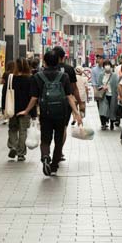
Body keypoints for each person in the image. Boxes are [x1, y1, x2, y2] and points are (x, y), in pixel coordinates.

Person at [34, 48, 80, 176]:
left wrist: (28, 110)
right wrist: (77, 112)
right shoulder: (64, 76)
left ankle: (45, 156)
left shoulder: (38, 76)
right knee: (59, 139)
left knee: (45, 138)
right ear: (58, 61)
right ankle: (54, 166)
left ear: (45, 62)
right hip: (61, 111)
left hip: (45, 112)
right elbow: (70, 96)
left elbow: (34, 97)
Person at [5, 58, 36, 162]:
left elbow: (5, 93)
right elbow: (33, 96)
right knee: (23, 131)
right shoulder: (30, 79)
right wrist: (34, 113)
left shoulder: (10, 78)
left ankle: (13, 146)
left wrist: (4, 109)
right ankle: (21, 154)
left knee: (13, 129)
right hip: (25, 109)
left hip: (12, 108)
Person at [95, 58, 119, 130]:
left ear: (111, 66)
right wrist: (102, 87)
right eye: (105, 65)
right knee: (103, 109)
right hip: (103, 95)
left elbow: (117, 85)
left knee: (112, 109)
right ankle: (104, 123)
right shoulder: (101, 75)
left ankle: (111, 123)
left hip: (112, 95)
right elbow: (98, 85)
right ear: (103, 66)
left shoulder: (114, 75)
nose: (107, 66)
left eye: (108, 64)